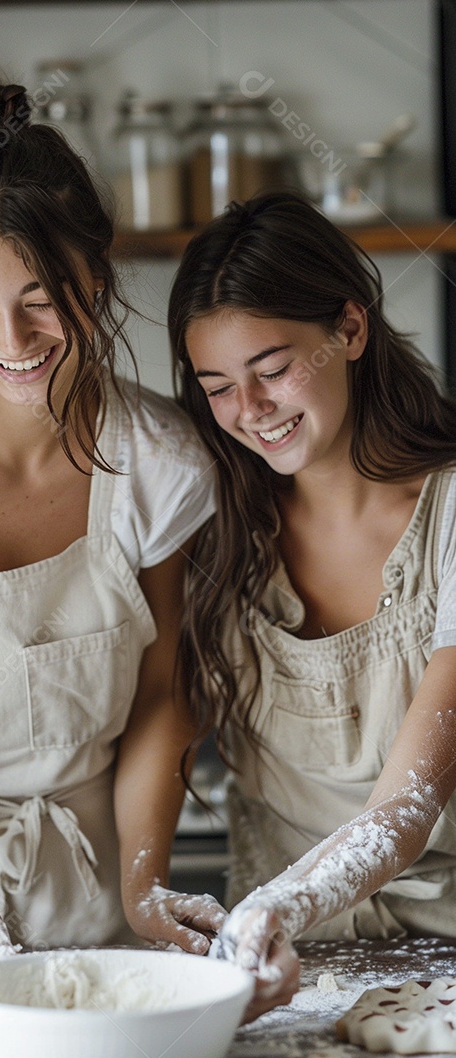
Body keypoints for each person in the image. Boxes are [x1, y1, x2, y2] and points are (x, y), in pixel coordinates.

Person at [0, 79, 226, 989]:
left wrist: (143, 886)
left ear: (94, 275)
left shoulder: (160, 462)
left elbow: (159, 703)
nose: (11, 339)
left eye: (41, 298)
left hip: (93, 883)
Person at [168, 191, 456, 1016]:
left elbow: (407, 803)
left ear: (350, 331)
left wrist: (282, 902)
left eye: (271, 369)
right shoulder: (218, 526)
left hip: (441, 953)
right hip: (276, 969)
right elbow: (165, 712)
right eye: (218, 386)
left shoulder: (446, 515)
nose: (250, 412)